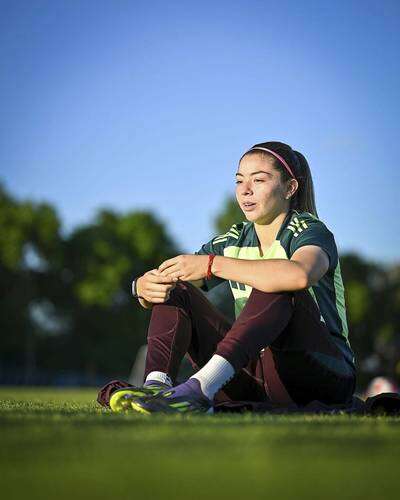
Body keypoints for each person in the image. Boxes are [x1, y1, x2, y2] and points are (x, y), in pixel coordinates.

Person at [109, 141, 356, 414]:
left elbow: (300, 274)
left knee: (277, 279)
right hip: (260, 374)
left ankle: (199, 388)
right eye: (239, 181)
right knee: (178, 290)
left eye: (259, 180)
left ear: (290, 188)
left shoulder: (309, 230)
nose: (245, 190)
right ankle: (157, 389)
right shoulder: (234, 239)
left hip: (324, 374)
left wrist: (213, 264)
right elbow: (173, 283)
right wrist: (143, 288)